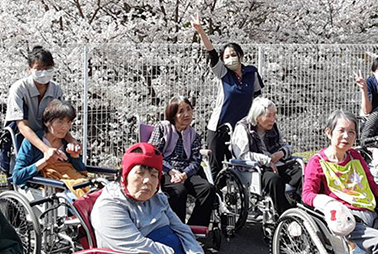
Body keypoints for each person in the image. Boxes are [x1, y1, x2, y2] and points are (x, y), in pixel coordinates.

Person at [302, 110, 378, 254]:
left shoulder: (354, 156)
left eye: (351, 132)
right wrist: (329, 204)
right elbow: (307, 194)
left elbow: (372, 185)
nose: (346, 136)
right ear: (329, 132)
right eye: (341, 131)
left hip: (372, 214)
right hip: (347, 220)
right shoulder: (317, 161)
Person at [91, 143, 203, 254]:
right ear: (124, 175)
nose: (147, 181)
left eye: (153, 175)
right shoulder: (110, 207)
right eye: (140, 173)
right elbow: (139, 247)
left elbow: (181, 229)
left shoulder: (158, 198)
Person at [191, 14, 264, 176]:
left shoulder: (251, 73)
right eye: (226, 57)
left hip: (241, 130)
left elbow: (258, 99)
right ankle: (216, 199)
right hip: (219, 127)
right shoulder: (223, 72)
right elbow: (211, 53)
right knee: (216, 168)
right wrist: (201, 30)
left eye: (233, 54)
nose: (230, 59)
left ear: (240, 55)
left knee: (239, 167)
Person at [4, 46, 78, 170]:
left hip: (50, 136)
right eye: (39, 69)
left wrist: (72, 141)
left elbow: (61, 120)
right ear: (29, 69)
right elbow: (22, 125)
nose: (43, 73)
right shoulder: (19, 89)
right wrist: (46, 149)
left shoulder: (56, 90)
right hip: (25, 138)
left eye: (48, 69)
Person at [149, 97, 215, 226]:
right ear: (173, 115)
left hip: (186, 172)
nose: (187, 114)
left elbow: (196, 160)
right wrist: (171, 171)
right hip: (166, 171)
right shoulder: (163, 128)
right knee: (179, 191)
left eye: (189, 109)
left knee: (208, 189)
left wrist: (185, 174)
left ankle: (195, 227)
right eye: (181, 111)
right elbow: (154, 153)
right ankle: (177, 227)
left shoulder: (194, 135)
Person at [230, 97, 301, 216]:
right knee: (274, 180)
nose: (274, 119)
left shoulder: (273, 127)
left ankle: (301, 208)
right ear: (257, 117)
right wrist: (266, 160)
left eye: (274, 115)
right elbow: (242, 156)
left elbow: (286, 145)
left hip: (278, 164)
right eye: (269, 116)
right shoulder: (242, 128)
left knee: (302, 173)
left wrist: (282, 152)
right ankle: (286, 215)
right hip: (256, 170)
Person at [12, 99, 88, 197]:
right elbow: (17, 177)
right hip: (49, 190)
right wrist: (45, 161)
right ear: (48, 122)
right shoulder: (31, 142)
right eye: (60, 122)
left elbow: (82, 172)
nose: (65, 127)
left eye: (68, 122)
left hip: (73, 184)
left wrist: (75, 156)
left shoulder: (66, 143)